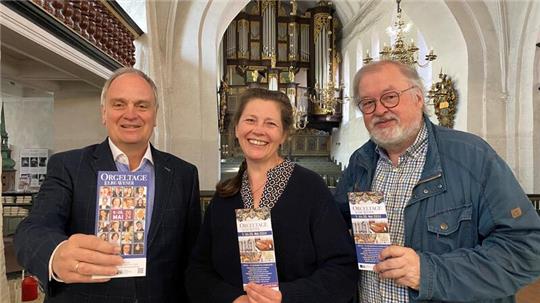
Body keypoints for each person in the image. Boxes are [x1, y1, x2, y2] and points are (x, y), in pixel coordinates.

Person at [334, 60, 540, 302]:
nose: (379, 110)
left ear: (418, 98)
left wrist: (429, 272)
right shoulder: (360, 162)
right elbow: (334, 230)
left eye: (390, 97)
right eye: (368, 103)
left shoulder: (472, 156)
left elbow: (526, 250)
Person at [14, 67, 201, 302]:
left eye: (142, 105)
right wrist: (56, 253)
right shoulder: (69, 166)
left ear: (155, 115)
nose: (130, 114)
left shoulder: (183, 174)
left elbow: (193, 258)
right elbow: (32, 229)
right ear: (104, 113)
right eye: (119, 104)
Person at [186, 88, 357, 303]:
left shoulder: (310, 188)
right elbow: (198, 271)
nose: (258, 130)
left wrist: (284, 297)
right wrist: (232, 299)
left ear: (284, 134)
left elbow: (342, 270)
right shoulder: (224, 196)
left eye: (270, 123)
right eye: (250, 120)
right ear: (237, 127)